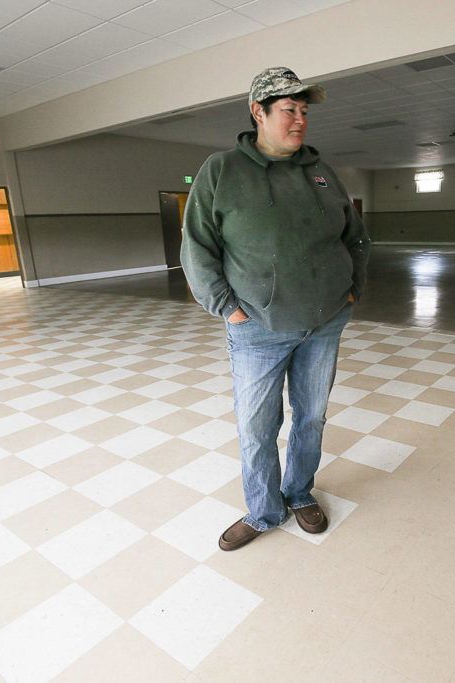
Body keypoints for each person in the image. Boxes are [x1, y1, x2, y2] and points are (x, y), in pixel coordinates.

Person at [180, 66, 370, 551]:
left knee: (311, 417)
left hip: (324, 322)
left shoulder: (322, 172)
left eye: (304, 111)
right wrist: (229, 309)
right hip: (257, 329)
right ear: (257, 112)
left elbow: (356, 237)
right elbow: (197, 247)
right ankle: (264, 511)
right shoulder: (221, 171)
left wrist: (352, 290)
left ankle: (299, 492)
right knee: (258, 426)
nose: (300, 120)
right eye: (289, 110)